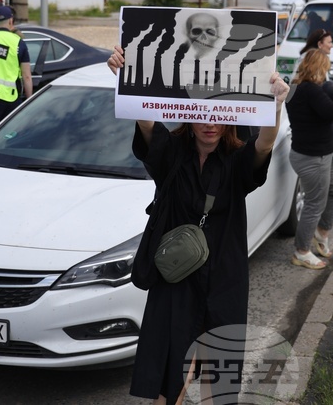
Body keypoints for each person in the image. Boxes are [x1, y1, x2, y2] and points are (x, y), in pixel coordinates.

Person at [106, 44, 289, 404]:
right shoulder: (172, 155)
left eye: (218, 115)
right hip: (175, 276)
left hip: (223, 276)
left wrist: (276, 104)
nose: (210, 122)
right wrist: (127, 76)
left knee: (216, 366)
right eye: (202, 113)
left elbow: (265, 146)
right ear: (188, 115)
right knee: (171, 362)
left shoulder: (237, 161)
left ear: (230, 118)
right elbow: (145, 122)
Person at [286, 49, 333, 269]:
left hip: (319, 155)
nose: (327, 74)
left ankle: (321, 232)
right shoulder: (309, 90)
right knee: (314, 204)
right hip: (312, 158)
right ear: (319, 68)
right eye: (325, 69)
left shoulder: (296, 88)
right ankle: (302, 251)